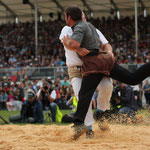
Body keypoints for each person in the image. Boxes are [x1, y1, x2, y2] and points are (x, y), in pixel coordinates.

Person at [62, 5, 150, 139]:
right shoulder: (86, 27)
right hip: (99, 63)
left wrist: (71, 43)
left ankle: (83, 123)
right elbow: (97, 43)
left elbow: (73, 44)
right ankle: (91, 125)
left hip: (93, 65)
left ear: (69, 17)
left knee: (87, 94)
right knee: (132, 79)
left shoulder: (80, 27)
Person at [59, 14, 113, 138]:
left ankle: (100, 112)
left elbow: (106, 44)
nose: (82, 19)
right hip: (76, 69)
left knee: (107, 86)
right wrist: (78, 50)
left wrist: (109, 52)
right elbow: (65, 42)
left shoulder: (93, 29)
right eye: (79, 17)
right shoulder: (67, 29)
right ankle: (89, 128)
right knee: (83, 97)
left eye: (83, 17)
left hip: (94, 67)